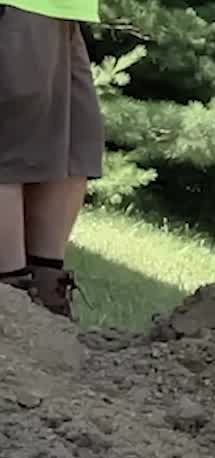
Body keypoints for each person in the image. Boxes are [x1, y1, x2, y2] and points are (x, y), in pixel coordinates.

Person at [0, 0, 104, 318]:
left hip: (63, 11)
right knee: (10, 153)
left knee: (77, 149)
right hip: (18, 7)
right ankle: (11, 304)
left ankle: (45, 295)